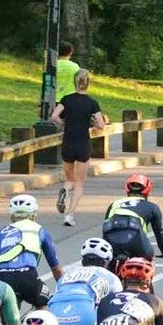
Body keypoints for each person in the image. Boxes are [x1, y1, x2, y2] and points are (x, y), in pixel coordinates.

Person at [46, 237, 121, 325]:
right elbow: (118, 306)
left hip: (55, 316)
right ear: (106, 262)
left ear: (82, 260)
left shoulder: (66, 275)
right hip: (85, 317)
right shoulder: (111, 277)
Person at [49, 69, 106, 225]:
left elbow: (54, 116)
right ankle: (69, 215)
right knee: (80, 183)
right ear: (88, 83)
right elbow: (101, 125)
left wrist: (63, 123)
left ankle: (65, 190)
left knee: (70, 179)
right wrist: (92, 122)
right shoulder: (92, 103)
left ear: (75, 82)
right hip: (83, 143)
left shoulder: (66, 99)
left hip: (68, 142)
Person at [0, 193, 64, 308]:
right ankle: (40, 324)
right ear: (34, 215)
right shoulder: (39, 230)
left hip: (2, 278)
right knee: (44, 304)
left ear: (11, 216)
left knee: (10, 317)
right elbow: (56, 269)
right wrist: (65, 289)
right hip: (27, 276)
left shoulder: (0, 233)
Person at [100, 173, 163, 265]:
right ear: (148, 189)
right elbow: (159, 234)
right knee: (149, 260)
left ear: (127, 188)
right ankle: (146, 279)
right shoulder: (152, 207)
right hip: (136, 242)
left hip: (112, 242)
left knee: (108, 264)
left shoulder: (114, 204)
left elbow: (106, 227)